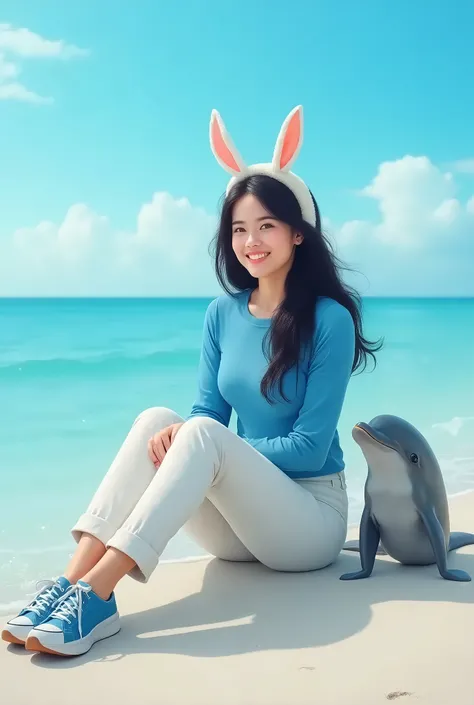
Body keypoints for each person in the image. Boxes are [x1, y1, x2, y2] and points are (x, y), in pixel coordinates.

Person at [2, 105, 381, 657]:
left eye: (267, 226)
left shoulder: (329, 319)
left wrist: (210, 446)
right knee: (160, 420)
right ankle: (68, 584)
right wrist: (191, 439)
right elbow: (207, 411)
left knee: (196, 435)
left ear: (298, 233)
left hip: (307, 523)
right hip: (238, 530)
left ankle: (96, 593)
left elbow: (307, 448)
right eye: (239, 229)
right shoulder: (221, 313)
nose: (251, 241)